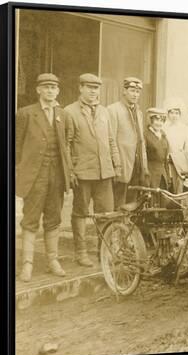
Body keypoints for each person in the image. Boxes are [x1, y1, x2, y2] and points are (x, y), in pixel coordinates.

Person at [15, 73, 72, 282]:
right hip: (34, 176)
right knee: (30, 220)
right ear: (38, 90)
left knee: (53, 218)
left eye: (53, 87)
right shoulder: (25, 114)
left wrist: (67, 174)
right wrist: (21, 172)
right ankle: (27, 264)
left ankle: (52, 260)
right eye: (46, 87)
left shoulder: (63, 115)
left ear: (58, 91)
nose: (50, 90)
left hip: (56, 176)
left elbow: (65, 145)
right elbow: (15, 148)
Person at [65, 73, 121, 268]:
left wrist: (117, 164)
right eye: (89, 87)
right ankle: (80, 253)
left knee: (106, 213)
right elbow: (67, 144)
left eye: (96, 88)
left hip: (105, 171)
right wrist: (70, 171)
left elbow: (111, 140)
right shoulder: (69, 112)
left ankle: (104, 251)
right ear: (80, 88)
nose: (92, 91)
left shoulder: (105, 112)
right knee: (80, 212)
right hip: (82, 171)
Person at [107, 77, 148, 209]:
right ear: (124, 91)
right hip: (122, 165)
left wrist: (144, 166)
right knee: (118, 203)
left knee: (133, 204)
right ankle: (116, 229)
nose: (135, 94)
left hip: (136, 166)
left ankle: (128, 228)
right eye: (132, 90)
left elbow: (141, 141)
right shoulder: (113, 110)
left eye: (137, 91)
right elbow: (110, 139)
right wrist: (116, 165)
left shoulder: (139, 113)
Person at [163, 99, 188, 193]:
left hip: (181, 162)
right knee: (168, 185)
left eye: (176, 113)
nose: (174, 115)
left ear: (180, 114)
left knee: (179, 185)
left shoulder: (184, 129)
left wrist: (182, 157)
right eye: (171, 113)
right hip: (167, 161)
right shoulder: (164, 127)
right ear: (168, 114)